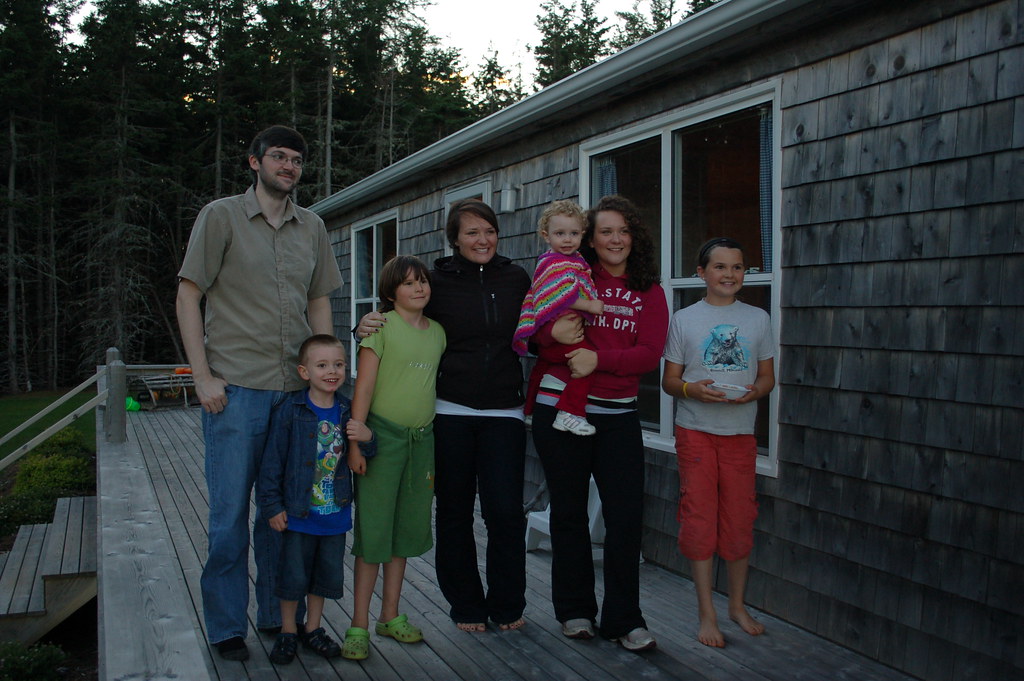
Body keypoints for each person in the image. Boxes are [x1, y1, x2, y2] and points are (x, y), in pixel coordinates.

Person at [175, 125, 342, 661]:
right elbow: (188, 294)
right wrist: (201, 375)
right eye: (278, 157)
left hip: (294, 394)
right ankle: (227, 626)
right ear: (255, 162)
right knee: (228, 518)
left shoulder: (312, 227)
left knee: (282, 515)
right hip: (237, 390)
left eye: (296, 159)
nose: (288, 166)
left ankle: (278, 617)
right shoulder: (221, 217)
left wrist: (325, 375)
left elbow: (319, 303)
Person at [355, 198, 531, 633]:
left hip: (505, 411)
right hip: (449, 410)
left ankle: (507, 603)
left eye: (489, 231)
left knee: (505, 511)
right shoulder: (437, 282)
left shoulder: (515, 278)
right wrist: (365, 324)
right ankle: (466, 605)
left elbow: (538, 325)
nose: (482, 239)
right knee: (454, 511)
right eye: (472, 232)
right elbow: (403, 316)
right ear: (454, 239)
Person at [529, 194, 668, 651]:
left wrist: (598, 359)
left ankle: (625, 619)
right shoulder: (572, 276)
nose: (615, 239)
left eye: (623, 231)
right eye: (605, 231)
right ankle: (575, 611)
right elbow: (535, 329)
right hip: (559, 408)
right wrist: (551, 335)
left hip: (618, 415)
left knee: (624, 517)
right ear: (591, 238)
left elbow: (649, 355)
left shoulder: (649, 291)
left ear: (634, 237)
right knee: (568, 513)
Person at [660, 237, 776, 648]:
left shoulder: (758, 318)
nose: (730, 274)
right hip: (695, 431)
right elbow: (669, 381)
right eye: (720, 267)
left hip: (740, 433)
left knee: (740, 518)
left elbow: (767, 377)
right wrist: (692, 390)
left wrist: (755, 392)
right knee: (699, 519)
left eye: (737, 267)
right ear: (702, 273)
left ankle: (737, 606)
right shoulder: (684, 319)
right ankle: (707, 612)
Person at [343, 255, 446, 661]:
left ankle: (389, 615)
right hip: (380, 439)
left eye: (422, 281)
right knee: (374, 532)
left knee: (403, 530)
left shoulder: (438, 332)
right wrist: (356, 443)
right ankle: (358, 624)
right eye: (408, 283)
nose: (418, 288)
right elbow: (364, 388)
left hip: (421, 441)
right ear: (391, 292)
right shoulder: (380, 329)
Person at [257, 335, 375, 664]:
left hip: (334, 514)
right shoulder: (290, 410)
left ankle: (313, 628)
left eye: (338, 364)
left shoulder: (347, 410)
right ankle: (287, 632)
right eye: (322, 365)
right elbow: (272, 462)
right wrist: (272, 506)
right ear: (304, 372)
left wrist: (368, 437)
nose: (332, 371)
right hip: (298, 514)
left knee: (323, 577)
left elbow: (364, 453)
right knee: (293, 576)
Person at [513, 200, 604, 436]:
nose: (567, 239)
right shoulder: (553, 262)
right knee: (586, 364)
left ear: (582, 234)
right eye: (560, 233)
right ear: (546, 235)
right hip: (559, 333)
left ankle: (529, 408)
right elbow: (561, 296)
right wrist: (589, 305)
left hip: (557, 336)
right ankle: (570, 412)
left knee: (543, 365)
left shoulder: (575, 260)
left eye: (574, 233)